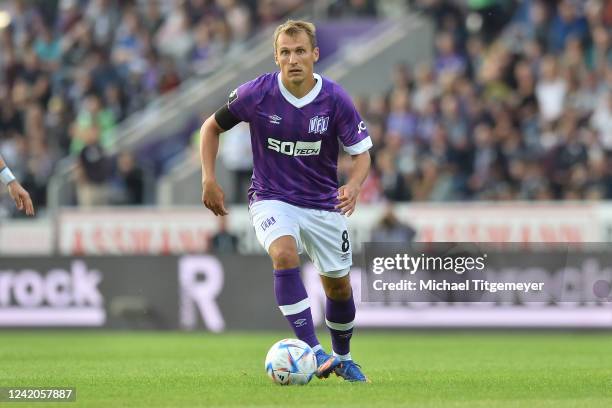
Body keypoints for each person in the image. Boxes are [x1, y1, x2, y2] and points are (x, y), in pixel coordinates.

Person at [200, 20, 371, 382]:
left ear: (315, 55)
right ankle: (314, 349)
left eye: (300, 51)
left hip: (324, 203)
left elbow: (361, 153)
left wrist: (354, 185)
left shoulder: (335, 98)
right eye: (285, 52)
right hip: (271, 197)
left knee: (338, 286)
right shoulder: (256, 94)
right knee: (283, 254)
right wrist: (209, 177)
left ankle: (344, 357)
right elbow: (210, 127)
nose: (293, 59)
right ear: (276, 58)